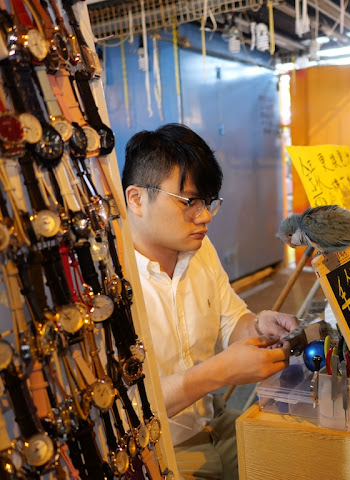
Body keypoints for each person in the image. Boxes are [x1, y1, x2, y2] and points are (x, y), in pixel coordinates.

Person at [122, 123, 301, 479]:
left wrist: (259, 324)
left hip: (215, 422)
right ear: (137, 199)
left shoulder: (198, 249)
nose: (203, 217)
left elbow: (229, 319)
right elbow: (126, 407)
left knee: (301, 457)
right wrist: (217, 373)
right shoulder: (112, 287)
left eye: (208, 203)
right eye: (189, 202)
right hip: (156, 450)